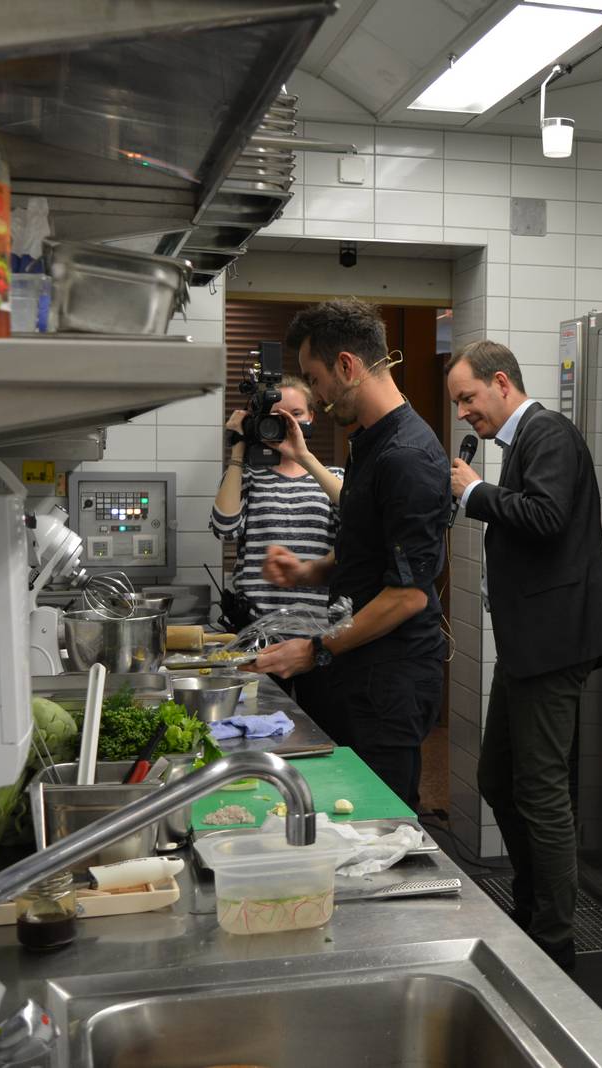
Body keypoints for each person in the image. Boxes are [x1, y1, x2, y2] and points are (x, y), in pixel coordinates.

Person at [446, 339, 602, 971]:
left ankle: (553, 939)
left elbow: (546, 516)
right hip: (530, 643)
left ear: (502, 382)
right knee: (498, 779)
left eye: (468, 397)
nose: (464, 412)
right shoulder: (523, 441)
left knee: (542, 790)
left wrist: (475, 493)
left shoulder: (548, 432)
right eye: (458, 403)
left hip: (555, 643)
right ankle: (528, 906)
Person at [251, 299, 450, 812]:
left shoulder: (407, 456)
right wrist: (307, 571)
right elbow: (366, 545)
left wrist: (316, 648)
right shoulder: (368, 443)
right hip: (360, 667)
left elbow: (407, 596)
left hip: (392, 679)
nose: (315, 395)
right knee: (347, 808)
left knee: (382, 819)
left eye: (315, 379)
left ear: (346, 365)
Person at [209, 375, 344, 619]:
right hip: (255, 623)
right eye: (276, 416)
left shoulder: (334, 477)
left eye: (296, 413)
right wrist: (238, 448)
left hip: (319, 623)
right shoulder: (246, 476)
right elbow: (224, 529)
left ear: (311, 417)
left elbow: (359, 515)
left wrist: (303, 457)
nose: (286, 422)